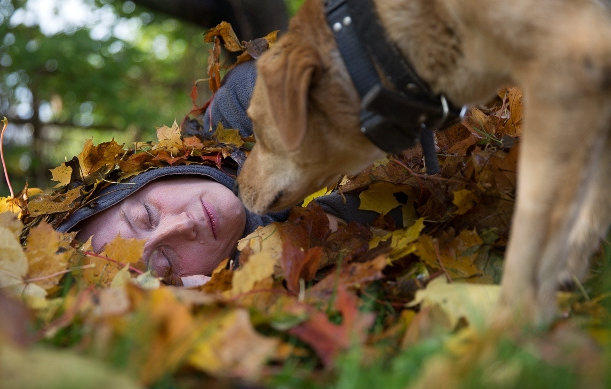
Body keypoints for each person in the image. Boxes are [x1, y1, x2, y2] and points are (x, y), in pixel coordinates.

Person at [57, 61, 403, 287]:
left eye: (145, 215)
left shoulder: (238, 109)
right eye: (164, 265)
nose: (182, 226)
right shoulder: (272, 275)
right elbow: (399, 208)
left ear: (148, 177)